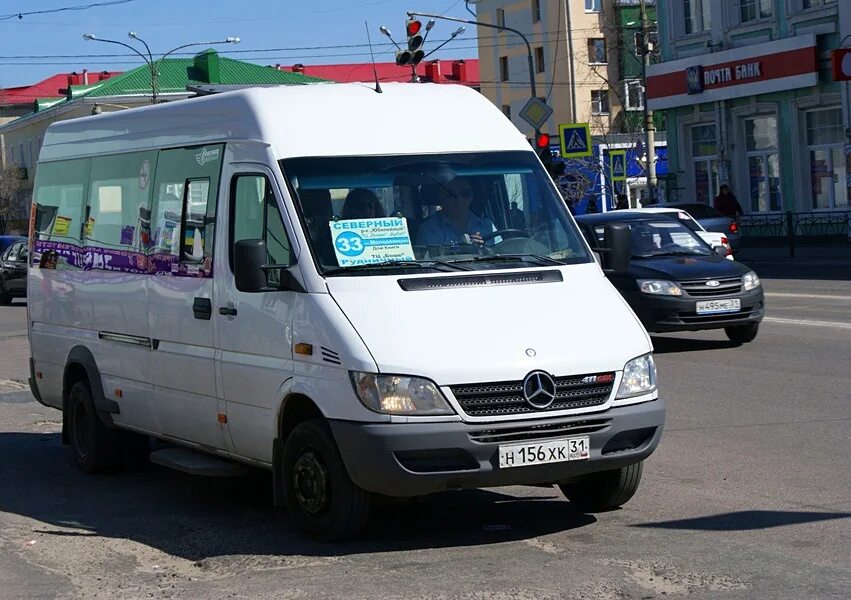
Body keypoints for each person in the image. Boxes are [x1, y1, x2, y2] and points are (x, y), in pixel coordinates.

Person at [415, 177, 497, 248]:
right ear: (440, 197)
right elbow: (430, 263)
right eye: (451, 195)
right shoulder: (429, 230)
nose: (459, 200)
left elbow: (503, 254)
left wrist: (485, 250)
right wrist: (464, 249)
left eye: (465, 194)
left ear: (472, 196)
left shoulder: (487, 226)